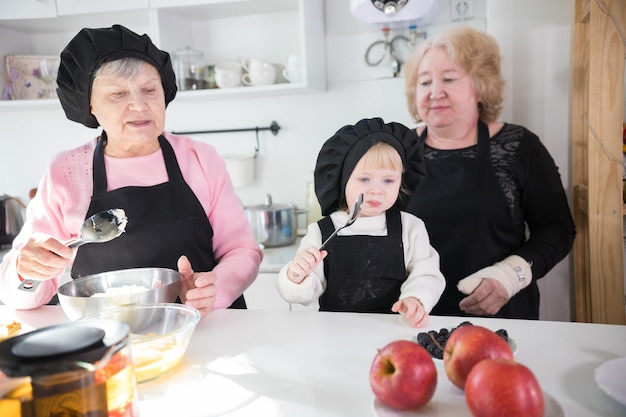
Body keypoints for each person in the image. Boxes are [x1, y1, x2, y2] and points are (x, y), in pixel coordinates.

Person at [0, 25, 262, 316]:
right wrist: (28, 270)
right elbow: (20, 295)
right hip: (109, 338)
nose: (139, 105)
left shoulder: (200, 158)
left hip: (205, 324)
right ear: (89, 105)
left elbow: (242, 251)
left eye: (149, 90)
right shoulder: (66, 172)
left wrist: (214, 289)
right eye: (118, 94)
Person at [401, 26, 576, 319]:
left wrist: (509, 276)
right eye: (424, 82)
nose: (435, 92)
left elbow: (557, 229)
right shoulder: (399, 150)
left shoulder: (519, 145)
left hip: (502, 319)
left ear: (480, 86)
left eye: (449, 79)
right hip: (414, 319)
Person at [276, 118, 445, 327]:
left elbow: (427, 274)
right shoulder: (321, 231)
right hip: (335, 334)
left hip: (394, 329)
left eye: (388, 180)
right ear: (343, 180)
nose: (377, 190)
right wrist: (296, 275)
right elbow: (303, 294)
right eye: (365, 179)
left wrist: (416, 298)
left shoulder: (410, 227)